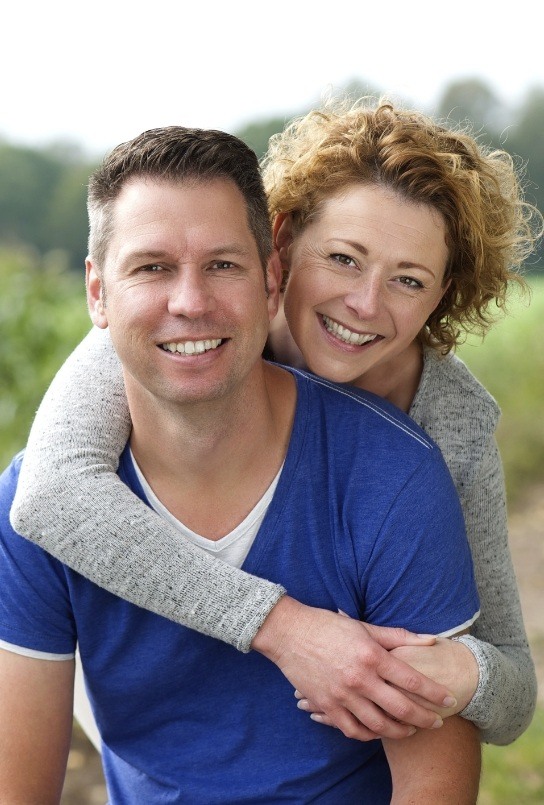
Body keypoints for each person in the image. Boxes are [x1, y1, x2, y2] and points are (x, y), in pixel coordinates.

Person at [9, 99, 539, 745]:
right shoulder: (194, 327)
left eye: (408, 279)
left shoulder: (450, 430)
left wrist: (464, 670)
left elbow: (513, 694)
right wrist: (287, 628)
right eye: (343, 258)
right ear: (281, 246)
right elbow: (48, 493)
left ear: (443, 292)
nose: (364, 303)